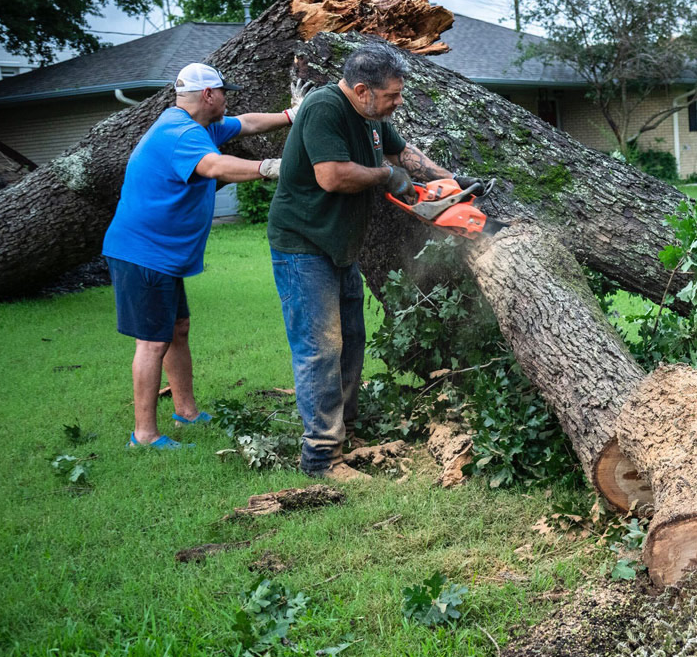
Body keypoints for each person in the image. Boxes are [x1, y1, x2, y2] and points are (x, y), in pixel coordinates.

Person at [268, 41, 453, 478]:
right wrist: (387, 176)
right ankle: (320, 458)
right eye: (392, 94)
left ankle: (345, 433)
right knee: (320, 349)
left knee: (350, 341)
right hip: (303, 246)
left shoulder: (373, 117)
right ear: (362, 88)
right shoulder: (324, 108)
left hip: (339, 246)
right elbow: (331, 175)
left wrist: (452, 181)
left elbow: (403, 155)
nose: (398, 101)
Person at [103, 62, 293, 449]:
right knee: (152, 342)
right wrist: (269, 167)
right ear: (208, 95)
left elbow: (247, 123)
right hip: (143, 253)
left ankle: (186, 411)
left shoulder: (200, 126)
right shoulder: (180, 133)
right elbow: (213, 166)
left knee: (177, 331)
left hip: (161, 255)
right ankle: (144, 435)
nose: (227, 99)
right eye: (224, 92)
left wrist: (292, 114)